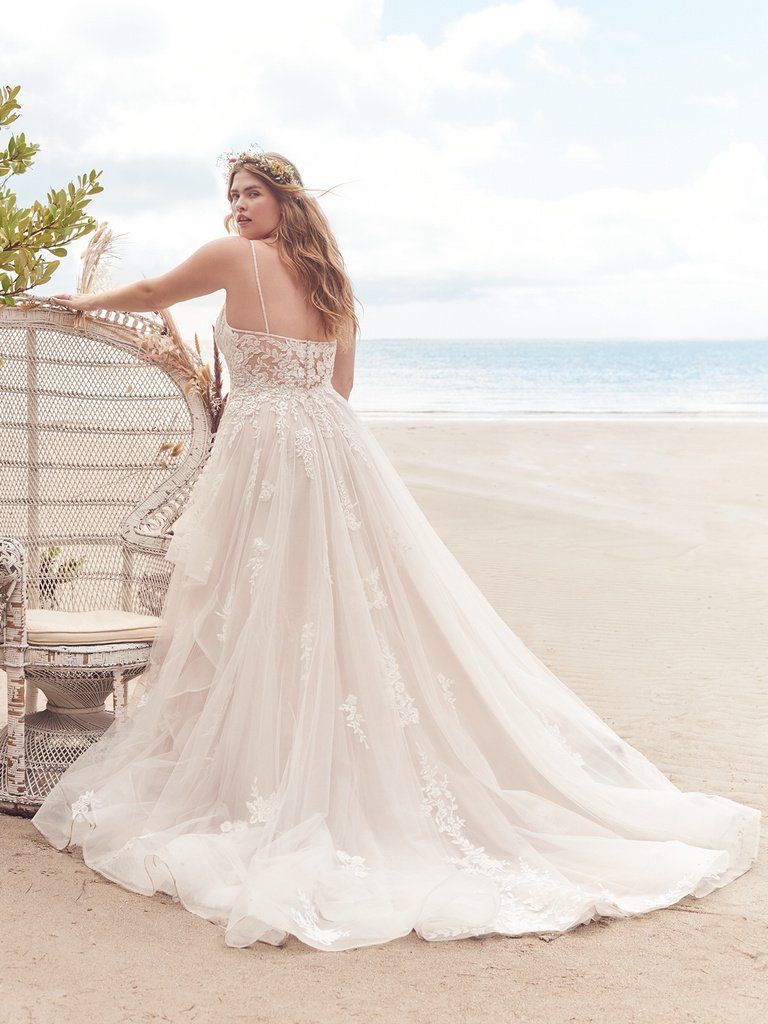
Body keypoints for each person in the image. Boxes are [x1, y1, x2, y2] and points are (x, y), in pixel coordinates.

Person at [35, 149, 760, 952]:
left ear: (284, 200)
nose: (238, 207)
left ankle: (270, 769)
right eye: (233, 196)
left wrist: (84, 298)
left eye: (252, 193)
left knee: (264, 604)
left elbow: (149, 294)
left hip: (265, 446)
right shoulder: (334, 279)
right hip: (334, 447)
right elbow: (341, 388)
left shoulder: (228, 258)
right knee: (348, 602)